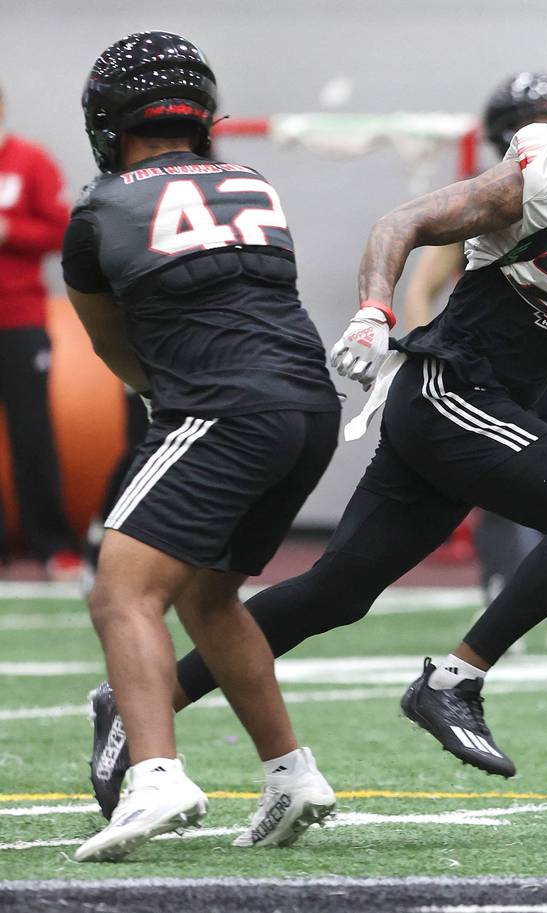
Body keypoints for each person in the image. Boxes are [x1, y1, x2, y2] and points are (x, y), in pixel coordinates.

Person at [90, 29, 547, 810]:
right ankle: (454, 681)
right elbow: (399, 223)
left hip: (488, 403)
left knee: (334, 592)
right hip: (451, 390)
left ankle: (138, 704)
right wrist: (376, 307)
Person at [63, 32, 340, 862]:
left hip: (224, 405)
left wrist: (172, 401)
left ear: (110, 122)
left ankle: (156, 772)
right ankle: (292, 773)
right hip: (311, 404)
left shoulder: (100, 208)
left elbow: (114, 347)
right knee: (208, 598)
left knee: (121, 590)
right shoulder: (251, 181)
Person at [404, 72, 547, 655]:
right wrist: (427, 343)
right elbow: (423, 284)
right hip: (491, 362)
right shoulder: (494, 190)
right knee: (495, 484)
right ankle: (502, 593)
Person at [0, 84, 82, 579]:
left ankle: (53, 545)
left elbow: (62, 230)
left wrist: (10, 231)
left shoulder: (29, 161)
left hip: (19, 320)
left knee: (32, 432)